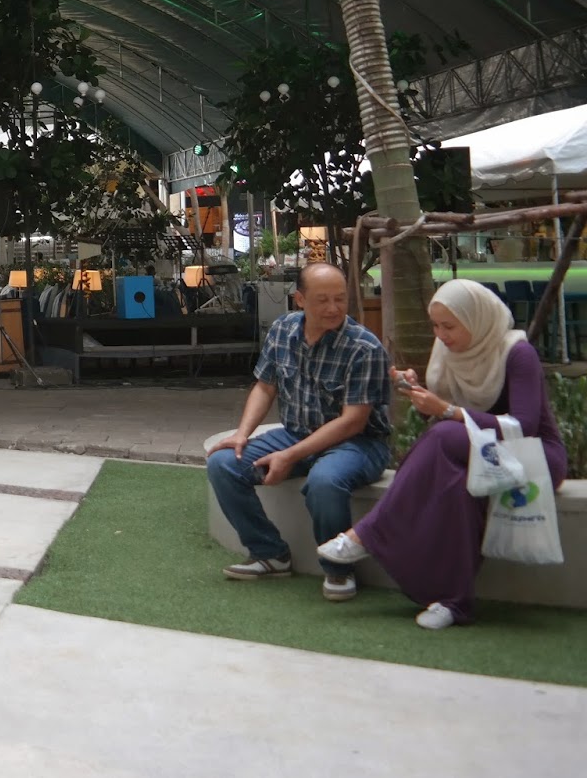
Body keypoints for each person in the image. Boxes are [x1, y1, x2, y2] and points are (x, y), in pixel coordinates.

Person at [316, 280, 567, 629]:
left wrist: (448, 411)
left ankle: (367, 534)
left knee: (444, 434)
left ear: (477, 319)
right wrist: (420, 395)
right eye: (436, 325)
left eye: (449, 326)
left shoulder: (517, 353)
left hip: (532, 455)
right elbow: (447, 416)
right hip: (477, 454)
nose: (441, 335)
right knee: (455, 487)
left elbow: (523, 426)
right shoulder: (449, 351)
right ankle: (453, 602)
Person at [206, 262, 393, 602]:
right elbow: (265, 387)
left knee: (325, 481)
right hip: (296, 433)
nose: (333, 308)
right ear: (300, 300)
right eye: (323, 300)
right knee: (223, 464)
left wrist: (290, 456)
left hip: (357, 443)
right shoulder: (283, 329)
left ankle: (338, 569)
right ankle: (270, 554)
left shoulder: (364, 347)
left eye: (340, 298)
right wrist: (242, 434)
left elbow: (353, 421)